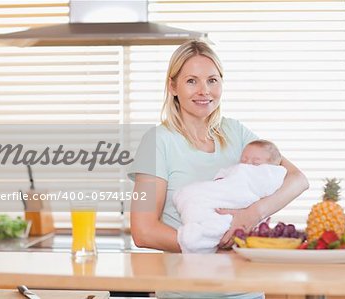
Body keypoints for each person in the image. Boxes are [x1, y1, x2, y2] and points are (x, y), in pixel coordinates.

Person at [128, 40, 309, 299]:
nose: (204, 91)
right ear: (173, 86)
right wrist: (212, 241)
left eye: (212, 80)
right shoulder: (158, 142)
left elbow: (297, 179)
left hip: (246, 292)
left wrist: (250, 216)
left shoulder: (236, 133)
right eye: (192, 81)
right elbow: (143, 231)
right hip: (185, 294)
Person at [174, 139, 287, 253]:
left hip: (238, 208)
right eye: (244, 160)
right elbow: (222, 180)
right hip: (221, 198)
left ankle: (201, 237)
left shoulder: (269, 175)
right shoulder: (235, 169)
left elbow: (274, 185)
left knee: (214, 220)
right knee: (190, 194)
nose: (247, 164)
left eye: (256, 163)